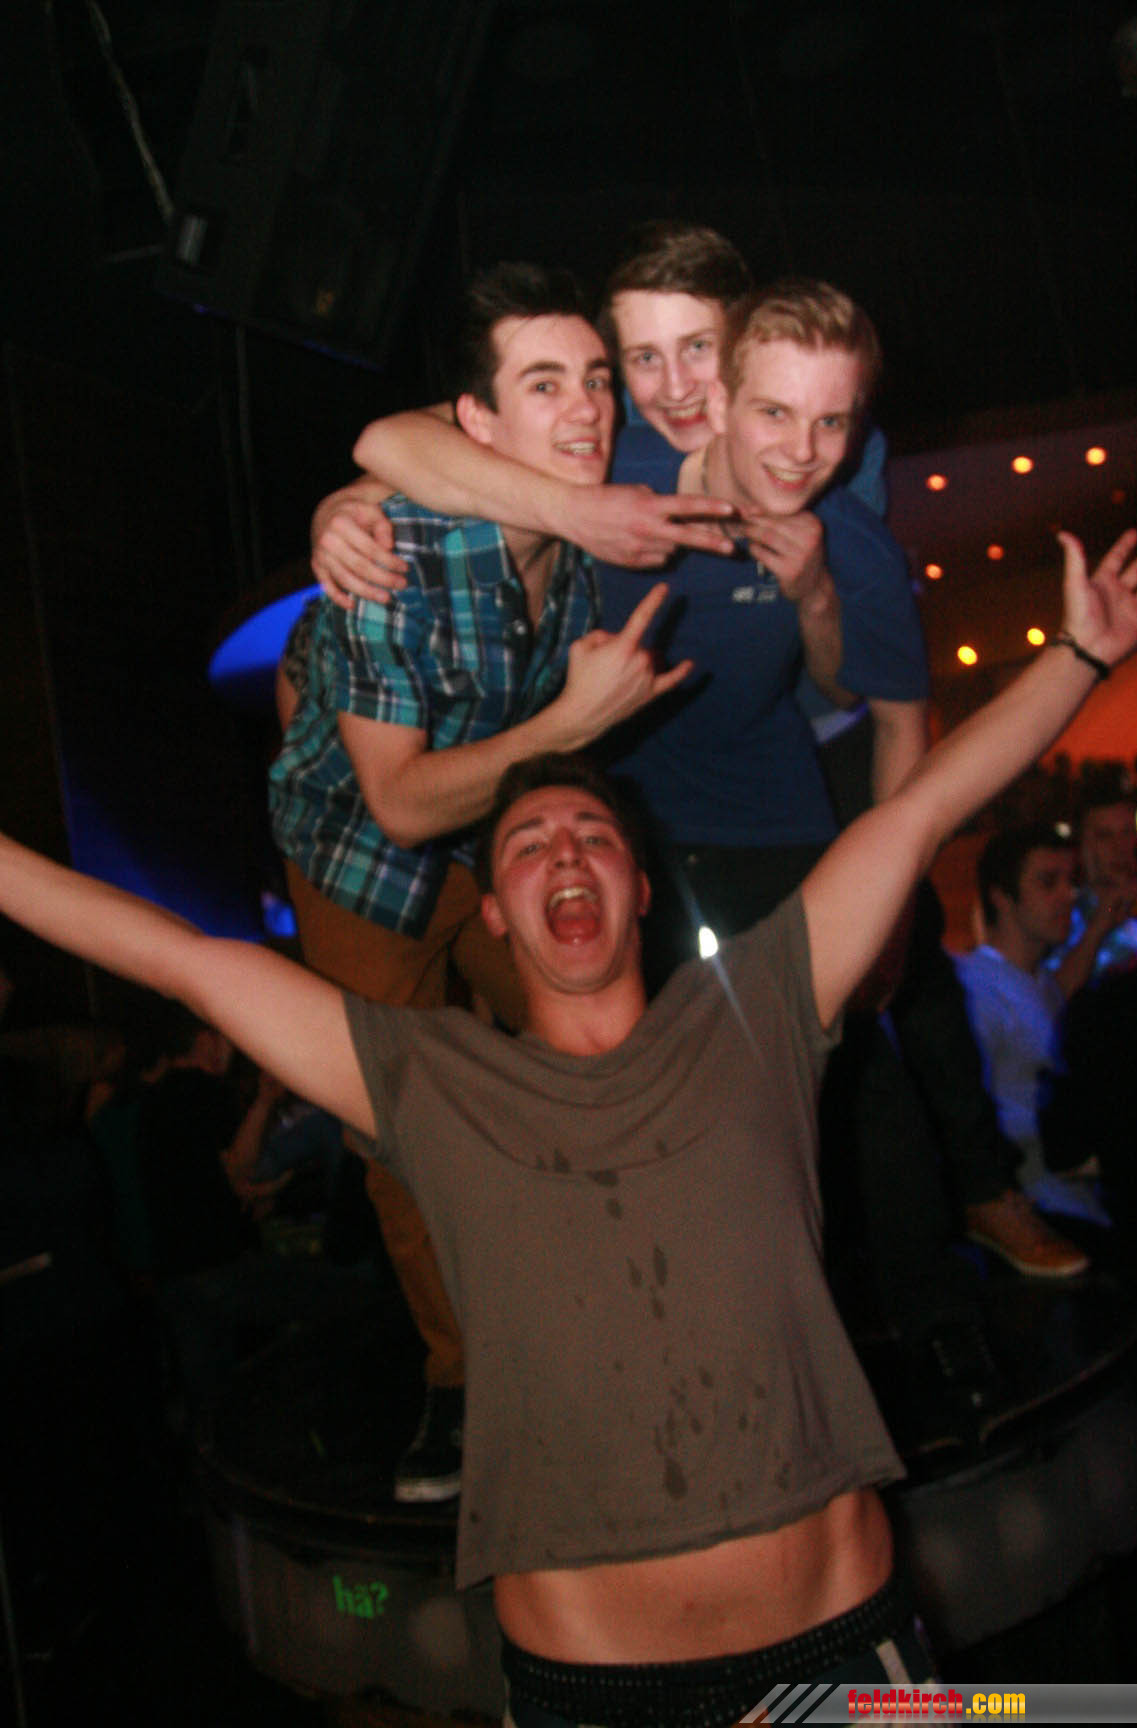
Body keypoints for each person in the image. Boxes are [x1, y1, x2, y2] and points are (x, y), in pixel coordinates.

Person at [1, 527, 1137, 1722]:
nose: (566, 853)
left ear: (639, 889)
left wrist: (1081, 656)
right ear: (496, 913)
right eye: (529, 845)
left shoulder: (758, 1007)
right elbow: (181, 960)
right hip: (590, 1697)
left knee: (1088, 1716)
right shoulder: (427, 1076)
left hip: (841, 1672)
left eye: (596, 837)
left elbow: (918, 814)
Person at [267, 262, 692, 1502]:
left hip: (489, 847)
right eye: (544, 385)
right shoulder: (395, 555)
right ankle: (465, 1383)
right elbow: (400, 804)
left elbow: (390, 443)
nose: (588, 410)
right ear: (478, 424)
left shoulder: (602, 513)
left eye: (596, 380)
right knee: (407, 1131)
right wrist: (573, 722)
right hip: (358, 862)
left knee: (605, 1055)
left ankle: (640, 1315)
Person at [314, 255, 929, 966]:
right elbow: (404, 443)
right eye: (774, 412)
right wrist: (345, 504)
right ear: (725, 404)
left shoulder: (857, 543)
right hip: (615, 824)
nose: (800, 449)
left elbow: (882, 715)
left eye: (830, 422)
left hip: (773, 821)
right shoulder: (608, 467)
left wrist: (895, 906)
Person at [956, 823, 1114, 1225]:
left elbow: (1054, 997)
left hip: (1076, 1202)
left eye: (1070, 881)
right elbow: (969, 1119)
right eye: (1048, 882)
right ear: (1001, 896)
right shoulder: (976, 989)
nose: (1069, 894)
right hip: (1036, 1214)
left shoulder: (1038, 981)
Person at [1049, 784, 1137, 983]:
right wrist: (1098, 928)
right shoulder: (1065, 916)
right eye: (1104, 836)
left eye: (1127, 832)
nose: (1119, 847)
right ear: (1083, 846)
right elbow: (1055, 995)